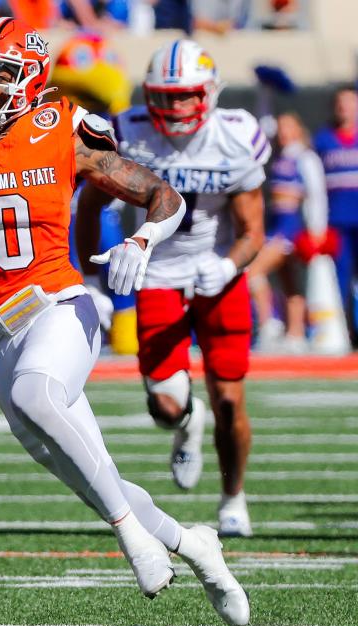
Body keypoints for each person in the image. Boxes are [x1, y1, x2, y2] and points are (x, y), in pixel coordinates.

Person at [0, 18, 248, 626]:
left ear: (29, 78)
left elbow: (165, 196)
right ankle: (196, 546)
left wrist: (142, 240)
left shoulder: (62, 128)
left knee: (39, 395)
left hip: (59, 304)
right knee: (91, 474)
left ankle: (133, 539)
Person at [78, 40, 269, 538]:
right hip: (158, 275)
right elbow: (89, 205)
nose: (177, 107)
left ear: (209, 93)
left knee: (229, 399)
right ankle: (188, 422)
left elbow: (253, 231)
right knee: (164, 407)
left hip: (216, 275)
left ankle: (233, 498)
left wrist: (227, 267)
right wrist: (93, 280)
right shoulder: (127, 130)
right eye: (166, 95)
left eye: (186, 95)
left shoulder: (236, 135)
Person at [49, 32, 138, 355]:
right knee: (71, 277)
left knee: (117, 271)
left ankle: (126, 334)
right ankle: (78, 337)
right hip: (66, 211)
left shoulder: (112, 124)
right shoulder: (54, 122)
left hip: (101, 210)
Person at [249, 112, 325, 352]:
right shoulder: (278, 156)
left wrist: (316, 231)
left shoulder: (306, 157)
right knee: (289, 281)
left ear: (298, 129)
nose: (283, 132)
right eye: (280, 128)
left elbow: (317, 196)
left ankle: (268, 324)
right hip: (276, 225)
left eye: (288, 127)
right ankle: (295, 333)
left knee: (253, 271)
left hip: (293, 228)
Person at [314, 87, 358, 346]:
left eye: (350, 102)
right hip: (337, 222)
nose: (344, 107)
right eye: (340, 102)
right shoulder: (323, 139)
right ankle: (343, 334)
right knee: (339, 279)